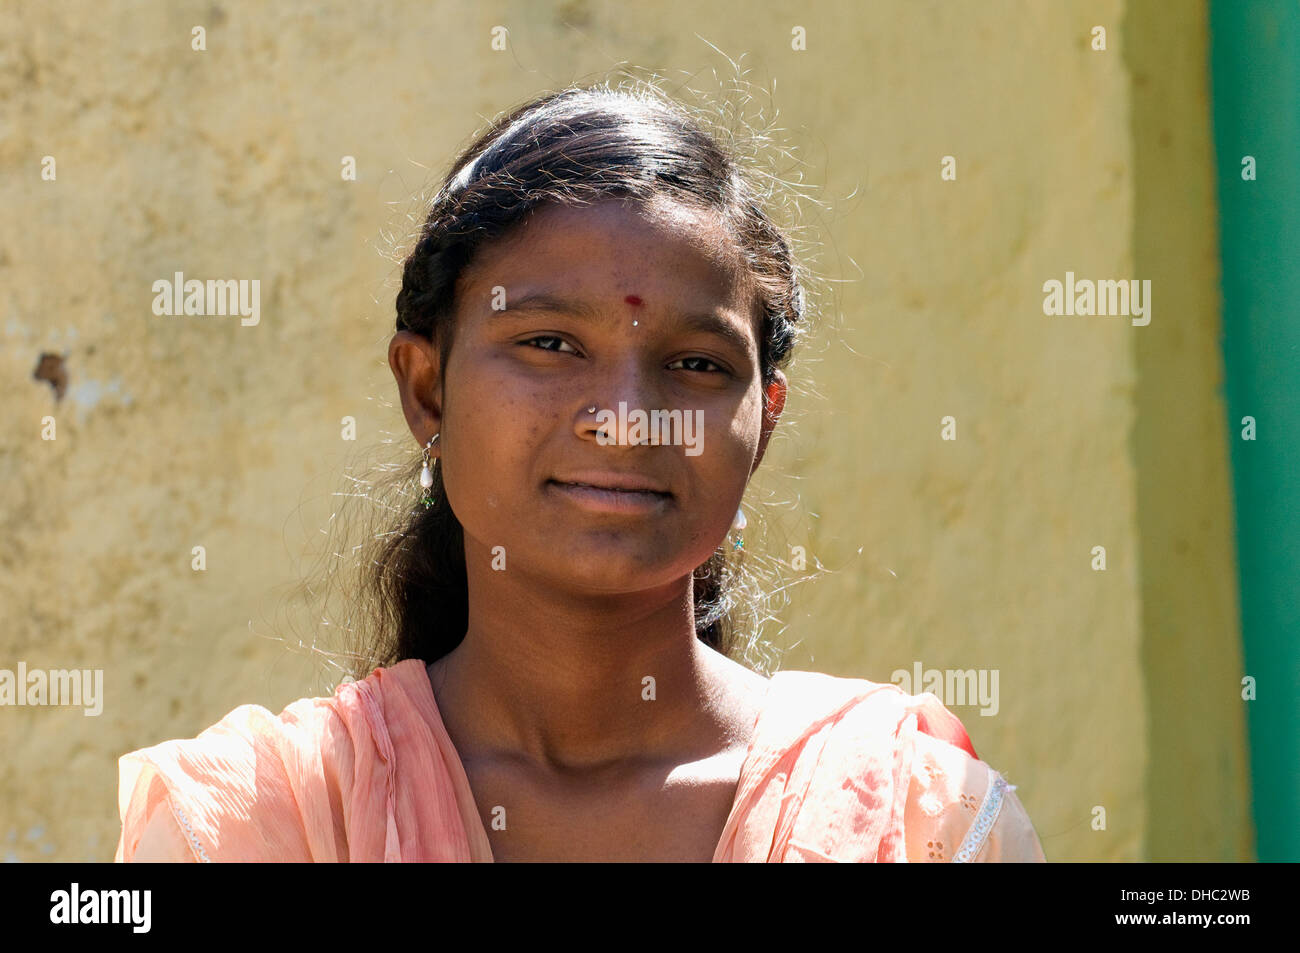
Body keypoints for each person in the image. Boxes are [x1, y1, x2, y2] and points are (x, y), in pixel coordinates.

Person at [115, 81, 1047, 863]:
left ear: (761, 422)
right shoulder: (258, 825)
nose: (624, 415)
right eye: (551, 343)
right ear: (427, 388)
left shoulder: (921, 820)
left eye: (696, 364)